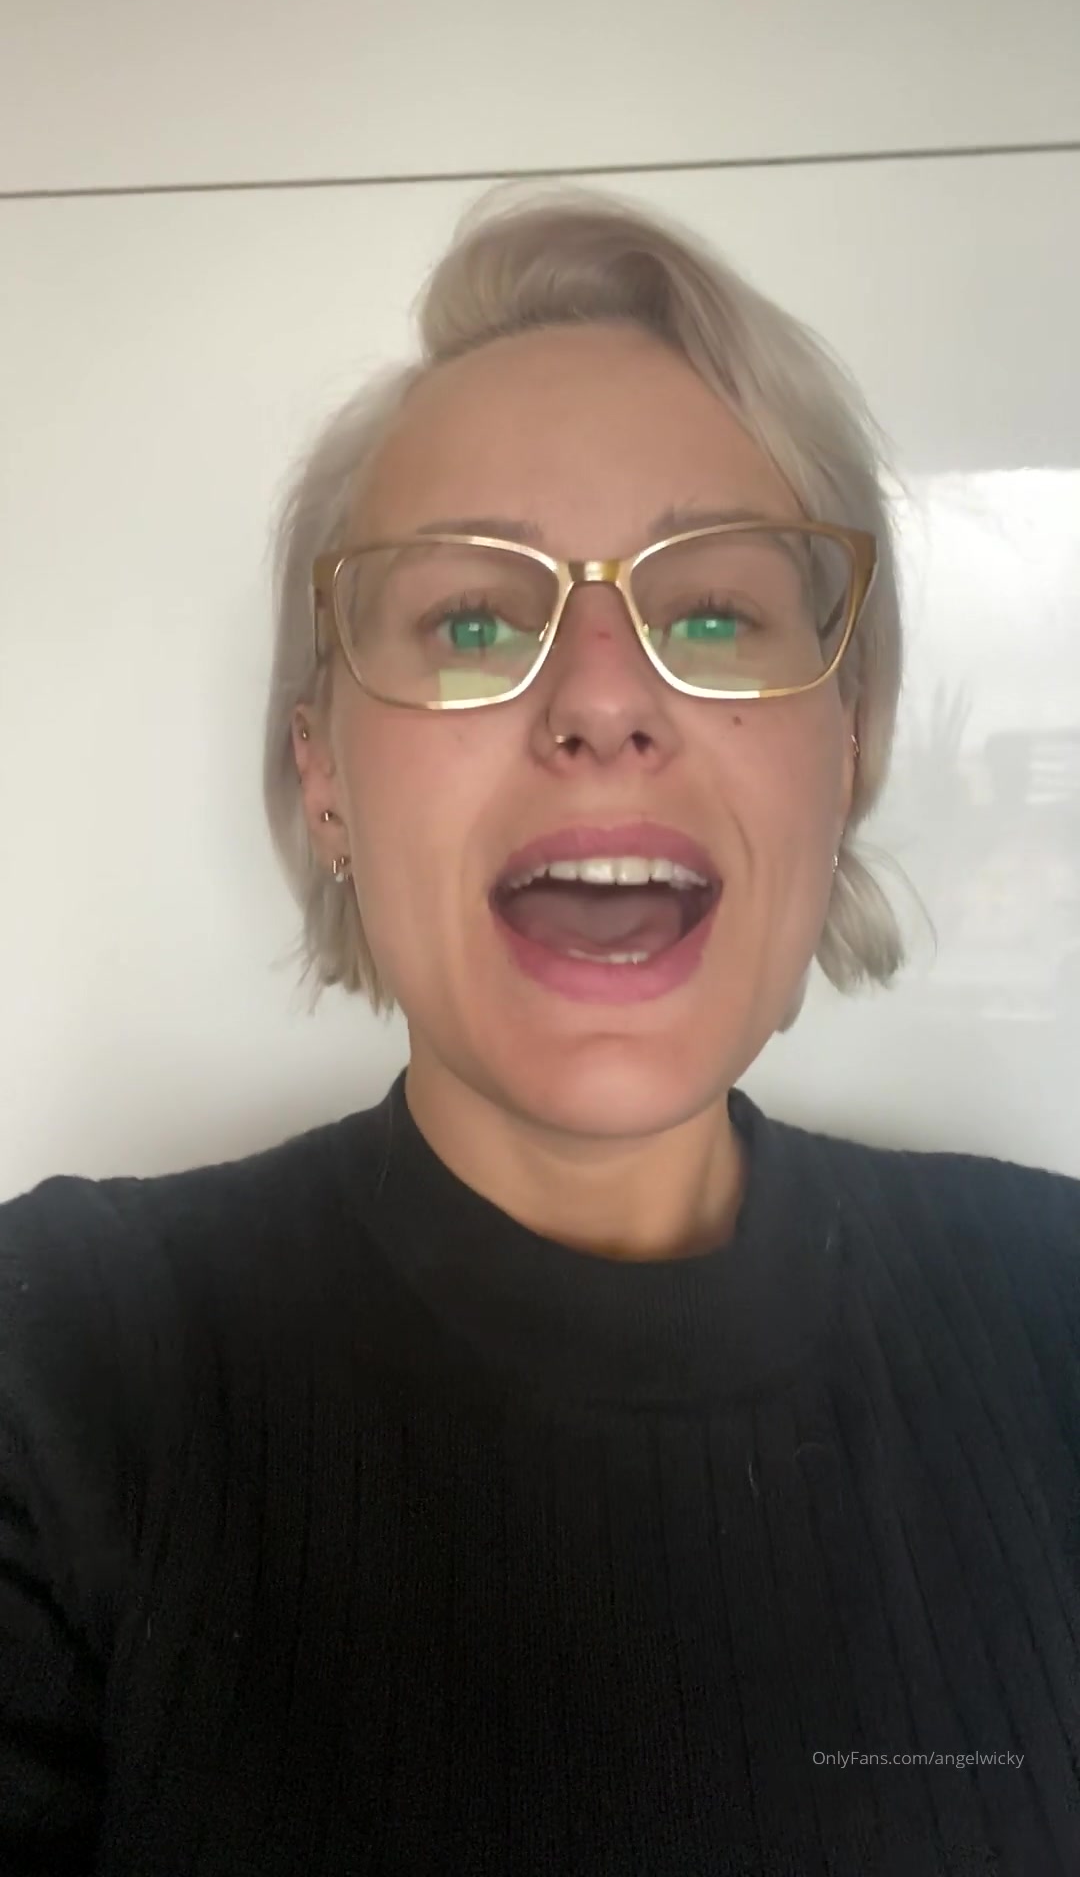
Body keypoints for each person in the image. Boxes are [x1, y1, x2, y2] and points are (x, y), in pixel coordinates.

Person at [1, 186, 1078, 1877]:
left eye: (712, 610)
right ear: (325, 777)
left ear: (850, 744)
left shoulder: (1057, 1311)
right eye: (471, 620)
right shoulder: (55, 1369)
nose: (602, 698)